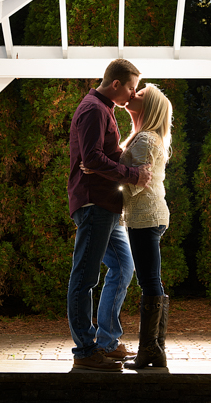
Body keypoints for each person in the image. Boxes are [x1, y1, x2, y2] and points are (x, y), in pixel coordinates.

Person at [67, 58, 152, 372]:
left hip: (106, 205)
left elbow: (103, 156)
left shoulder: (105, 110)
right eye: (130, 87)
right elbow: (91, 158)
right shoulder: (93, 109)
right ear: (116, 84)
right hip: (93, 203)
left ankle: (107, 341)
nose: (132, 93)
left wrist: (123, 166)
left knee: (123, 266)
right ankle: (86, 351)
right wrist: (131, 175)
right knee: (84, 278)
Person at [82, 83, 173, 369]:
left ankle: (152, 351)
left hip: (146, 216)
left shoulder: (146, 139)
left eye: (140, 94)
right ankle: (154, 350)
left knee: (149, 281)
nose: (133, 95)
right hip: (144, 217)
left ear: (149, 107)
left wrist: (101, 167)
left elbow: (139, 181)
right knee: (149, 279)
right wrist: (106, 165)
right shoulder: (141, 136)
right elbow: (131, 173)